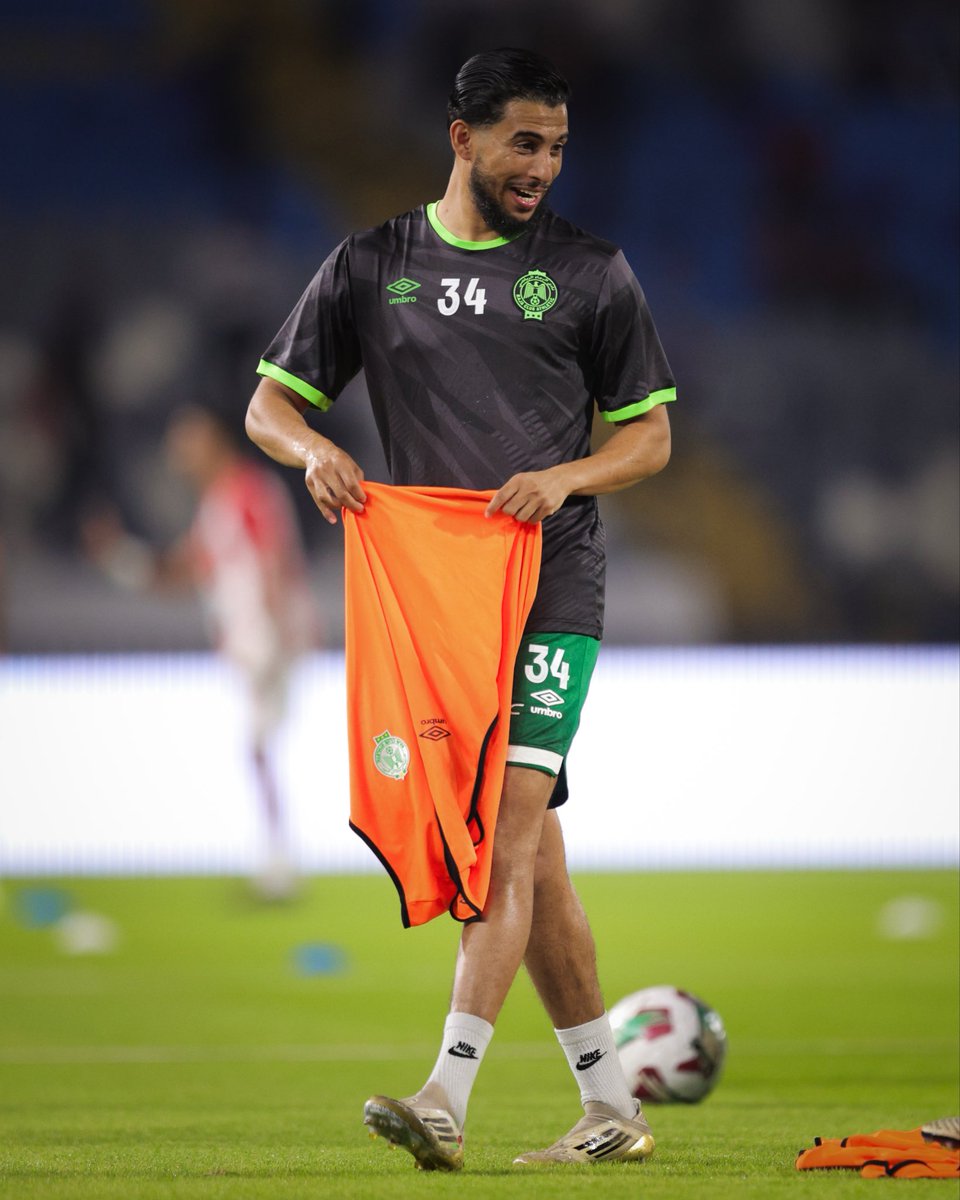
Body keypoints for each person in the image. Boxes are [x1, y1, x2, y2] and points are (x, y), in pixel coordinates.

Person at [245, 48, 675, 1168]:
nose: (541, 166)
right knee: (536, 861)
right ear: (463, 138)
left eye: (557, 146)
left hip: (551, 585)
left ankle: (446, 1092)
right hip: (437, 596)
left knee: (507, 833)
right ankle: (613, 1108)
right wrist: (310, 452)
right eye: (523, 143)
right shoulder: (371, 263)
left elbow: (651, 437)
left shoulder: (591, 273)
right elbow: (267, 407)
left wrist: (567, 477)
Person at [87, 405, 318, 898]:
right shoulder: (218, 503)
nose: (180, 457)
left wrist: (279, 632)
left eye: (187, 444)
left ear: (213, 442)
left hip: (266, 640)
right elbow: (184, 569)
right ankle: (277, 861)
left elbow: (275, 558)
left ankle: (280, 867)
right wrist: (117, 559)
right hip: (252, 641)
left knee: (259, 748)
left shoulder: (250, 491)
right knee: (259, 751)